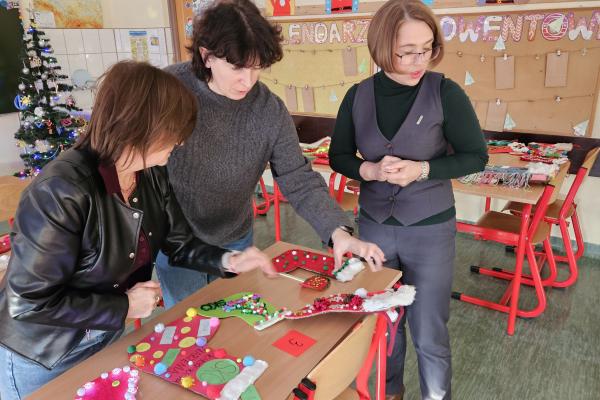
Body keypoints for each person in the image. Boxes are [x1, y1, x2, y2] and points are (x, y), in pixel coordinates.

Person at [0, 61, 276, 400]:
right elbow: (29, 304)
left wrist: (229, 260)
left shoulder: (150, 173)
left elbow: (179, 243)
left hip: (104, 338)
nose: (180, 142)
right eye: (173, 133)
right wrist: (124, 307)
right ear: (139, 128)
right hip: (44, 358)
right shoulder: (60, 191)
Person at [157, 0, 385, 308]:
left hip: (235, 235)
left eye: (256, 68)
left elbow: (297, 178)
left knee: (236, 318)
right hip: (177, 239)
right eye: (237, 68)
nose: (248, 81)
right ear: (206, 56)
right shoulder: (169, 90)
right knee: (189, 321)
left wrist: (337, 231)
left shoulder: (269, 109)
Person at [328, 1, 488, 399]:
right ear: (383, 49)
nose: (420, 61)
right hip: (375, 229)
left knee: (429, 330)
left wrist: (424, 170)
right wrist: (369, 170)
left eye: (427, 49)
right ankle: (390, 392)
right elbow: (339, 155)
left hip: (430, 230)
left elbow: (475, 156)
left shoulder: (445, 93)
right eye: (407, 52)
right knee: (384, 323)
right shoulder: (358, 96)